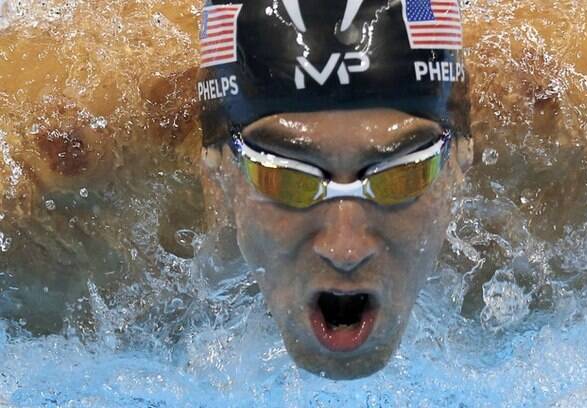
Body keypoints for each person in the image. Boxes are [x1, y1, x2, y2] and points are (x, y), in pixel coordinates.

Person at [198, 0, 472, 379]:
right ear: (217, 165)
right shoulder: (109, 233)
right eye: (287, 178)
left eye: (403, 175)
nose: (345, 250)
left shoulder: (563, 207)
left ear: (460, 158)